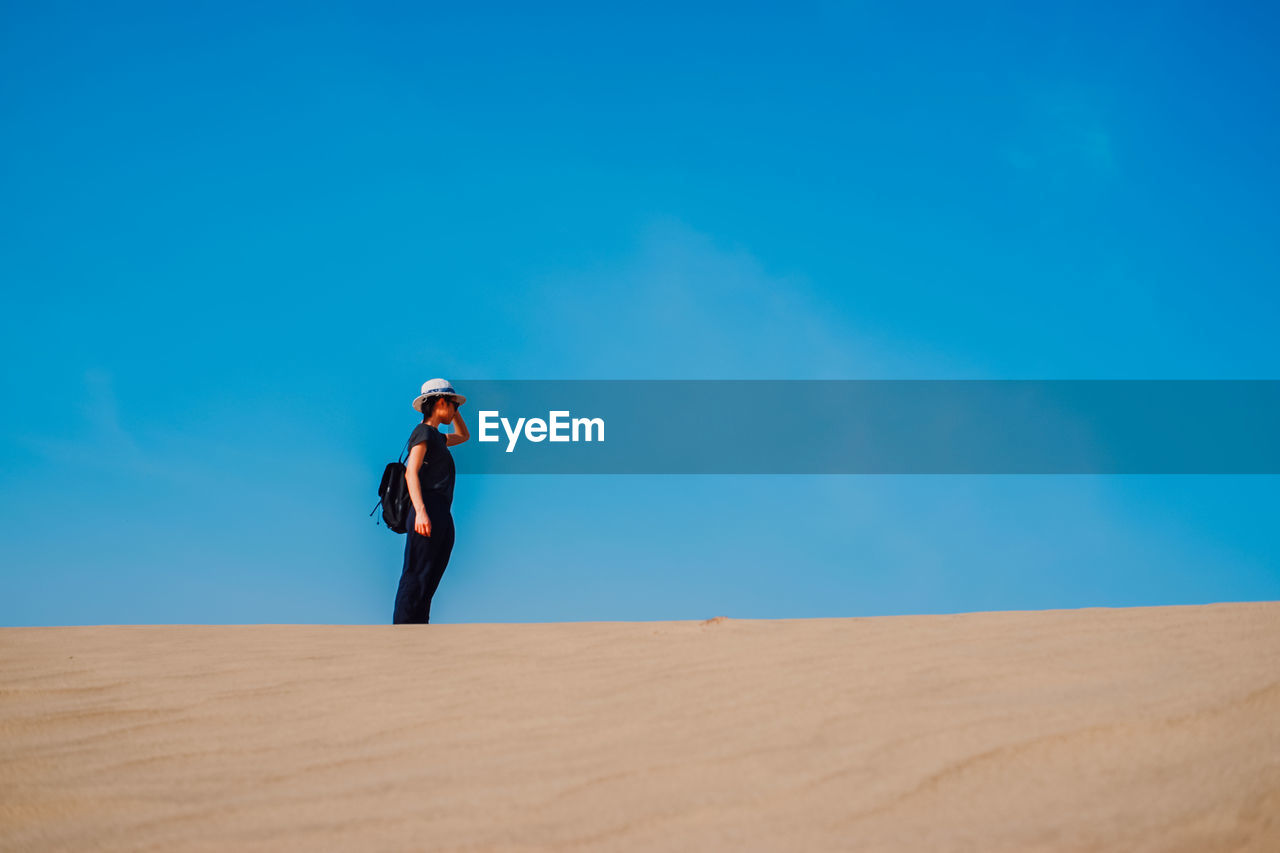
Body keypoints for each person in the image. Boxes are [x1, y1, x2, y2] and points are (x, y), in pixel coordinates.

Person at [393, 378, 470, 624]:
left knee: (429, 578)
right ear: (439, 402)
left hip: (442, 512)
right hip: (426, 509)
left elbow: (463, 435)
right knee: (415, 575)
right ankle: (402, 632)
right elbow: (411, 471)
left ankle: (419, 631)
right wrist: (421, 511)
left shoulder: (438, 437)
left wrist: (456, 409)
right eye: (452, 405)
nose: (455, 411)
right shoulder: (423, 432)